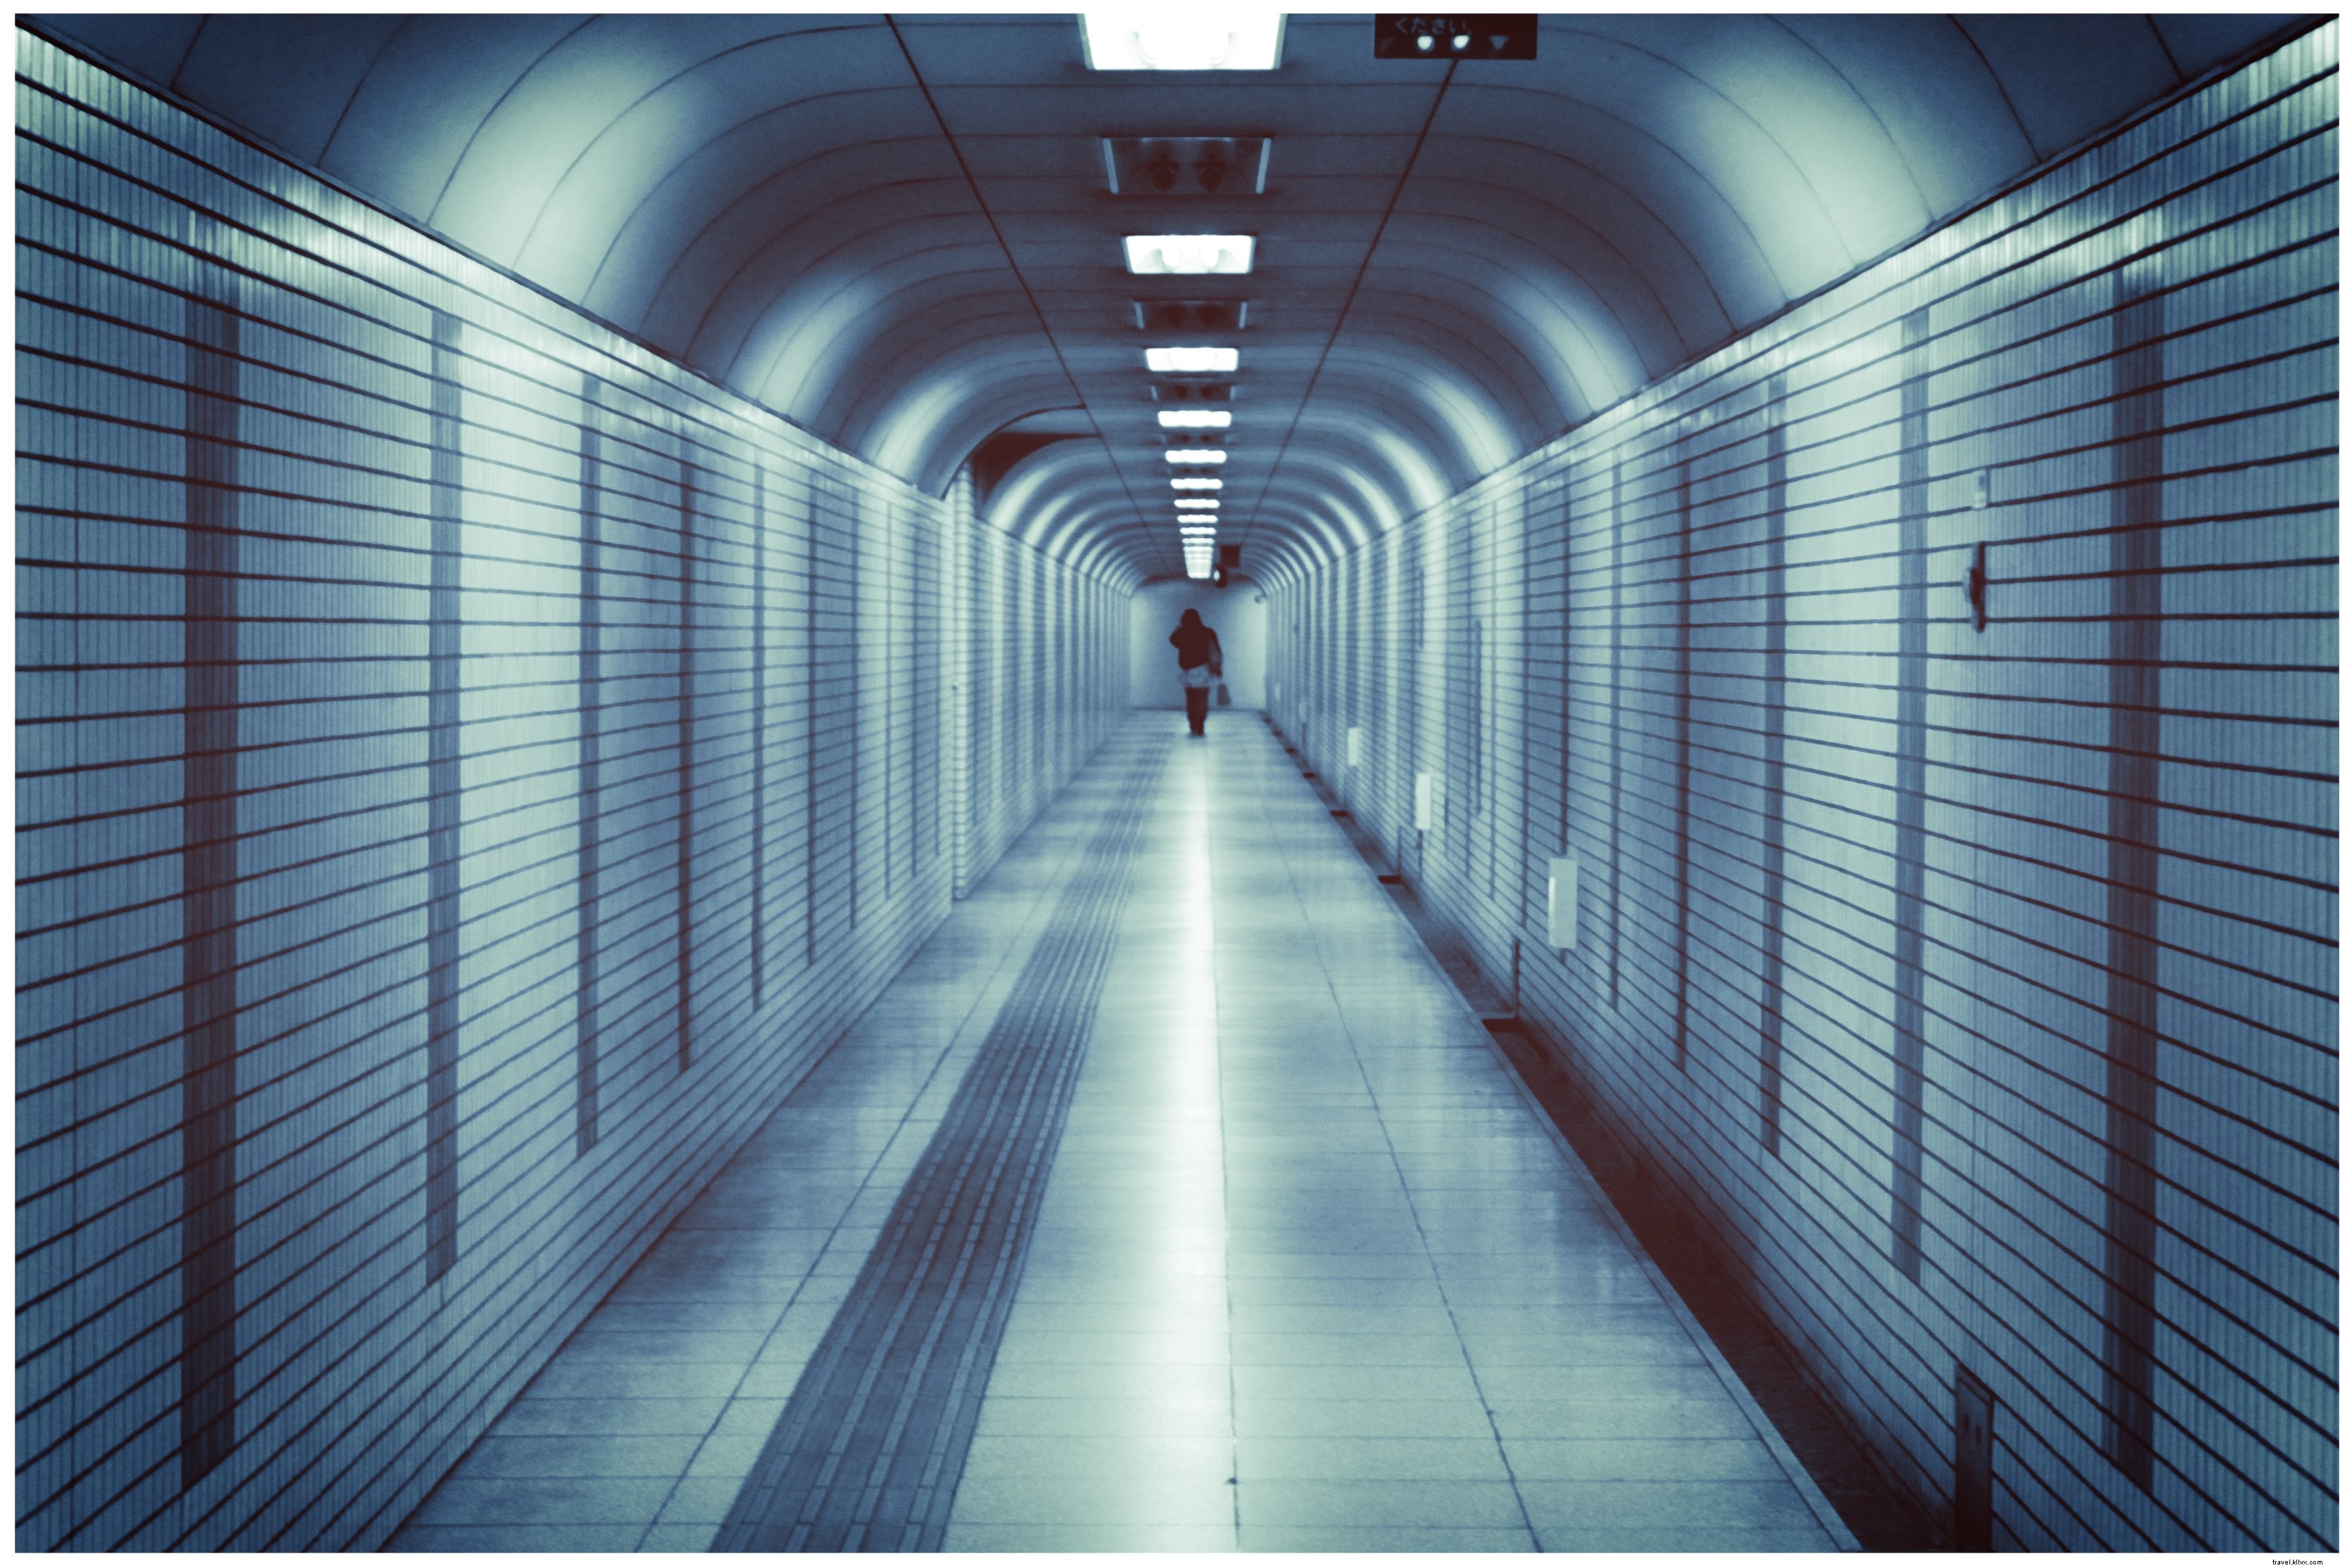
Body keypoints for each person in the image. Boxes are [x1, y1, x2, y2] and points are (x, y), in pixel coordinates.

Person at [1169, 608, 1222, 737]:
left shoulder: (1182, 633)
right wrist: (1218, 669)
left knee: (1191, 699)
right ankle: (1201, 724)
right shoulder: (1208, 632)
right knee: (1203, 698)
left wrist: (1180, 627)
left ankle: (1193, 723)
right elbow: (1217, 650)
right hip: (1204, 670)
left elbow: (1172, 640)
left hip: (1188, 671)